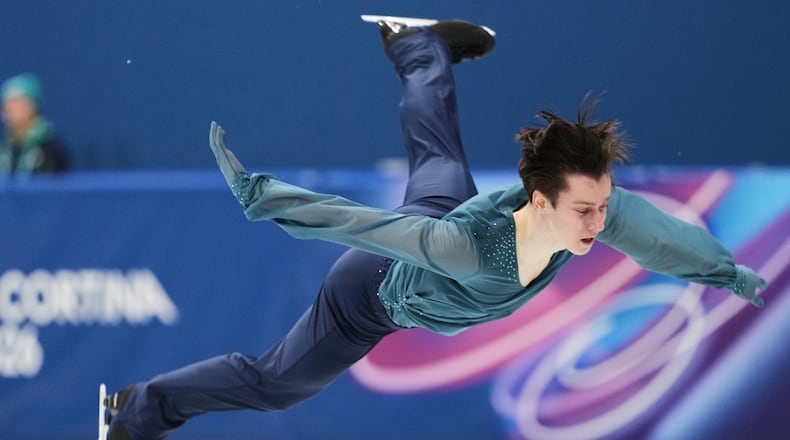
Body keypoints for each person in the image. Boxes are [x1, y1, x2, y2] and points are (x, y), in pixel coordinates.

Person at [103, 19, 766, 439]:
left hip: (439, 214)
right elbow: (360, 224)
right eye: (585, 210)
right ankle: (133, 413)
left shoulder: (590, 207)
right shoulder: (466, 249)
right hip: (371, 291)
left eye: (602, 205)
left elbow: (656, 233)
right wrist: (264, 197)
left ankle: (414, 42)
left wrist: (723, 269)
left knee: (440, 158)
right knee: (277, 385)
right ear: (539, 201)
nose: (601, 221)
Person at [0, 73, 68, 174]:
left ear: (32, 106)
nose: (8, 109)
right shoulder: (4, 149)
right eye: (5, 104)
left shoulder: (51, 150)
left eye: (15, 103)